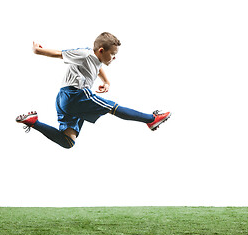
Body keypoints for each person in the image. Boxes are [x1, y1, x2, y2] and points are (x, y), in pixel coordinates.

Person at [16, 32, 171, 149]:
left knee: (68, 141)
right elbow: (59, 54)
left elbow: (98, 68)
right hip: (75, 95)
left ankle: (33, 122)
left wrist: (106, 82)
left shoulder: (95, 60)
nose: (114, 58)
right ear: (101, 50)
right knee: (113, 108)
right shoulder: (84, 54)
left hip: (64, 98)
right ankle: (151, 119)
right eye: (113, 54)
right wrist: (38, 51)